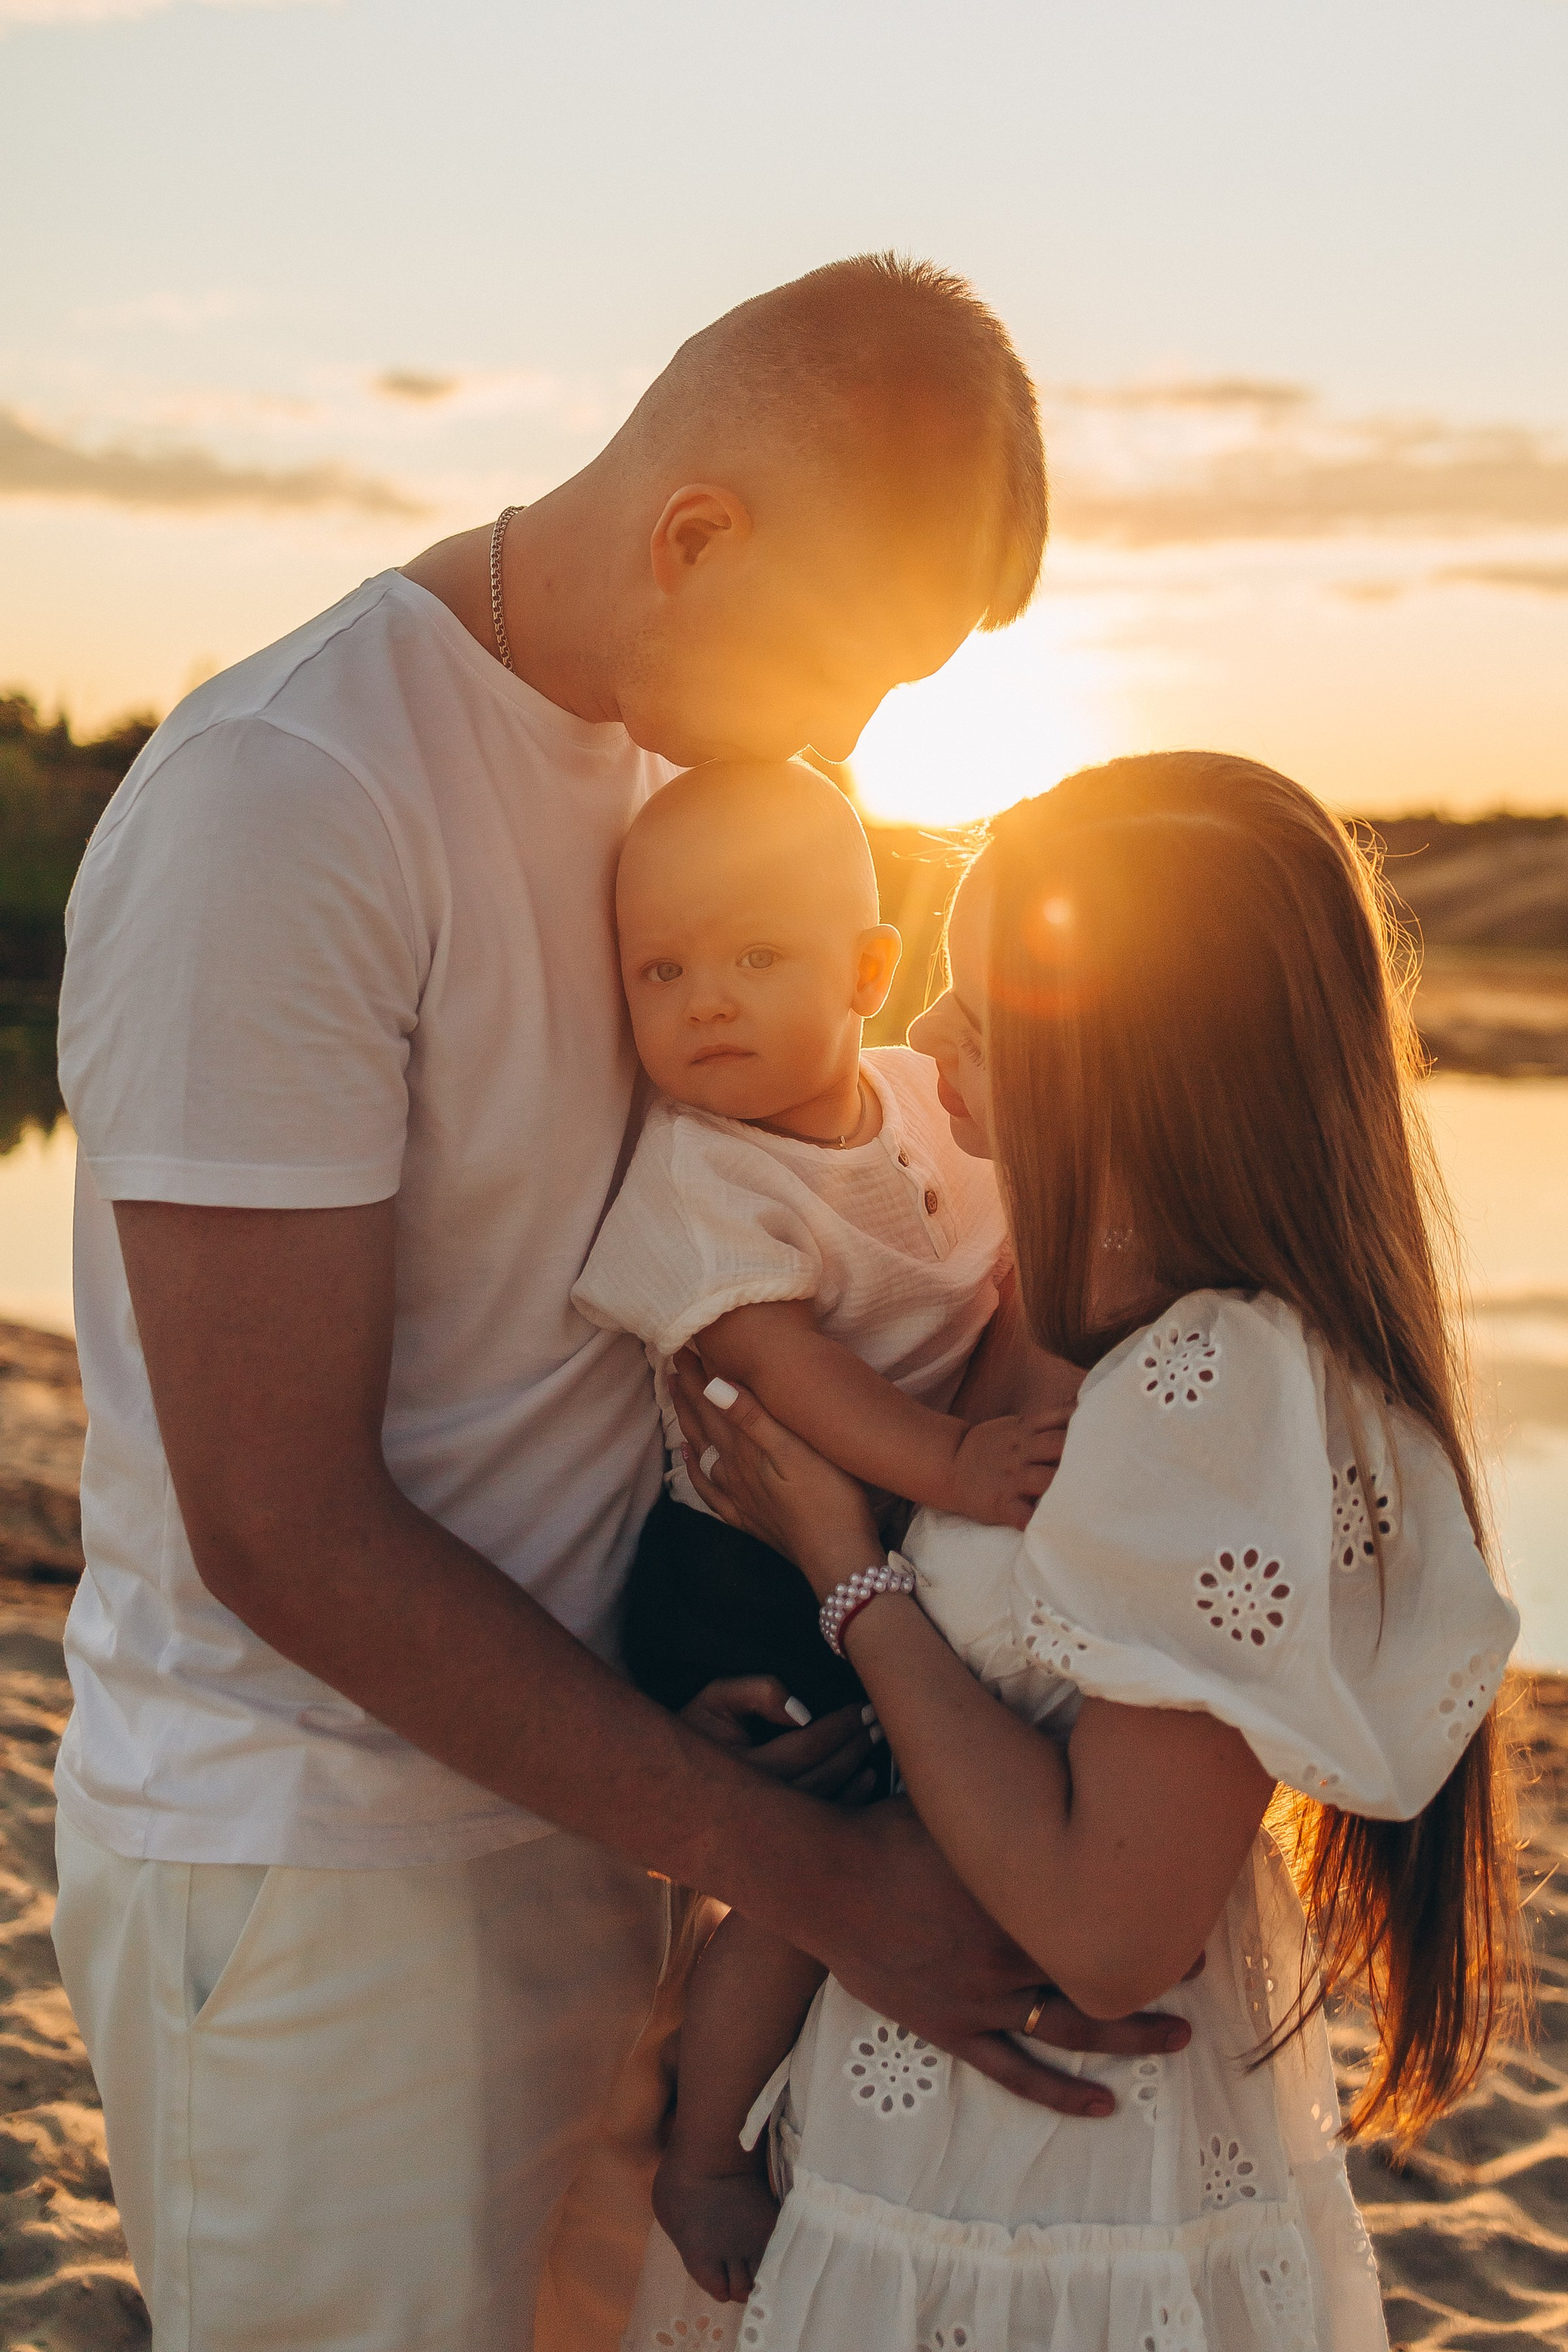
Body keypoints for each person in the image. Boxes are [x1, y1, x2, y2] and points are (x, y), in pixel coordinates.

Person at [48, 256, 1183, 2352]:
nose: (852, 744)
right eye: (852, 674)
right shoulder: (285, 805)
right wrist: (826, 1880)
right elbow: (276, 1522)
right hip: (327, 1884)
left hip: (618, 1799)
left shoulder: (679, 797)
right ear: (693, 538)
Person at [636, 750, 1524, 2352]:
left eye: (980, 1013)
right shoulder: (1000, 1294)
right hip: (884, 2124)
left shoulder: (1212, 1381)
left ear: (1128, 1058)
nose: (921, 1041)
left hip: (1045, 2192)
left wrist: (847, 1568)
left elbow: (1115, 1932)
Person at [573, 756, 1072, 1727]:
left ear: (869, 972)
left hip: (904, 1505)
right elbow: (783, 1368)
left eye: (755, 958)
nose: (706, 1001)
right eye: (662, 970)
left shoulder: (932, 1098)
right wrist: (959, 1459)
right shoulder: (700, 1171)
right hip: (741, 1572)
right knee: (838, 1756)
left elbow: (1007, 1258)